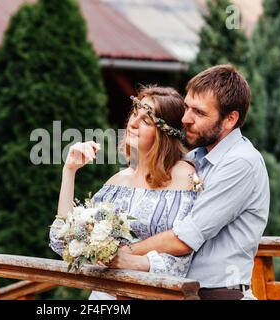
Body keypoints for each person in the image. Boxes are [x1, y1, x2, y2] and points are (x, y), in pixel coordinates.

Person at [121, 65, 270, 300]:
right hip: (176, 292)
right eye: (187, 107)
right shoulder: (193, 159)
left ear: (230, 119)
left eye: (199, 113)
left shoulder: (241, 163)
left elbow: (185, 238)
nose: (185, 119)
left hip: (219, 294)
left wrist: (124, 253)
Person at [49, 85, 199, 300]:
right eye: (134, 114)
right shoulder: (118, 182)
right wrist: (69, 170)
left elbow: (183, 258)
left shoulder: (183, 178)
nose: (133, 123)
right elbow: (64, 240)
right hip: (104, 297)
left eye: (146, 121)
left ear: (164, 134)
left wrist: (135, 261)